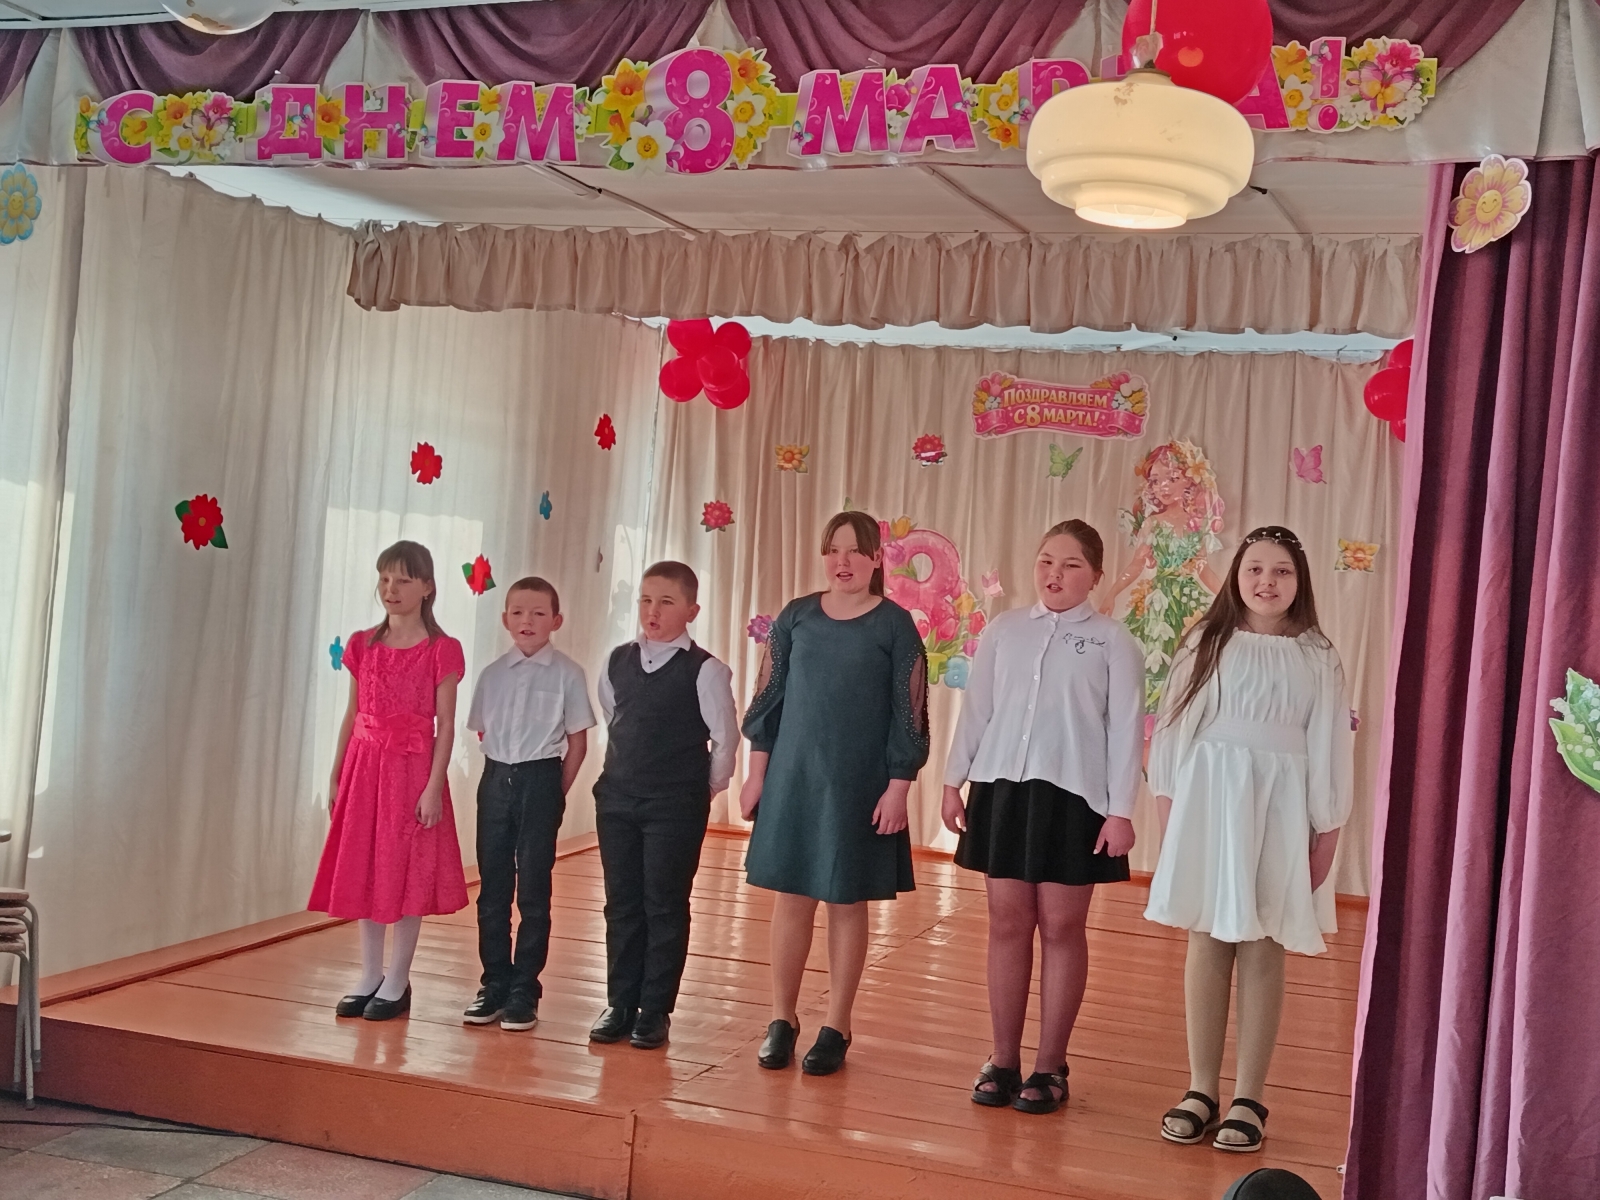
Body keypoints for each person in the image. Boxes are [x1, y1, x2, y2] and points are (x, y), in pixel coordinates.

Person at [1144, 526, 1353, 1153]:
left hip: (1281, 805)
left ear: (1300, 580)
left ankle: (1249, 1096)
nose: (1267, 582)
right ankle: (1200, 1088)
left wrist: (1327, 830)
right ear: (1236, 575)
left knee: (1263, 942)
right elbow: (1174, 731)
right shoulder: (1206, 641)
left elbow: (1330, 744)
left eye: (1281, 570)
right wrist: (1172, 818)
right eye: (1255, 568)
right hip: (1211, 801)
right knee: (1207, 937)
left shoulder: (1318, 655)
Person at [942, 519, 1144, 1114]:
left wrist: (1121, 811)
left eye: (1071, 564)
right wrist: (953, 782)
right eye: (1046, 561)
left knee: (1061, 927)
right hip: (1003, 789)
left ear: (1096, 576)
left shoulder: (1113, 641)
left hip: (1076, 799)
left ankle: (1050, 1065)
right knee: (1006, 923)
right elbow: (978, 711)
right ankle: (1002, 1058)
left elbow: (1125, 730)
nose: (1055, 574)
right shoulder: (1005, 630)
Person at [740, 511, 929, 1076]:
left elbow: (910, 713)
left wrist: (899, 786)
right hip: (793, 779)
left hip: (858, 784)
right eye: (833, 550)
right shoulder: (795, 616)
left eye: (854, 551)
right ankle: (782, 1018)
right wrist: (756, 775)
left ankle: (837, 1023)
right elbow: (767, 700)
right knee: (791, 898)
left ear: (876, 559)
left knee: (847, 903)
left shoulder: (895, 625)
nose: (842, 561)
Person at [310, 540, 470, 1021]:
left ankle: (398, 977)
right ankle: (369, 973)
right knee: (366, 864)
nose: (390, 589)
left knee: (406, 869)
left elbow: (446, 724)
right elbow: (352, 713)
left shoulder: (441, 649)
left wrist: (433, 786)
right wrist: (336, 773)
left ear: (427, 587)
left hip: (412, 771)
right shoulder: (363, 644)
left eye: (402, 580)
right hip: (365, 768)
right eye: (384, 579)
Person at [588, 562, 738, 1051]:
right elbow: (614, 716)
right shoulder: (616, 660)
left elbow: (725, 739)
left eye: (666, 602)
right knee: (621, 902)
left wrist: (704, 790)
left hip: (675, 804)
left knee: (665, 903)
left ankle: (655, 1009)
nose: (653, 611)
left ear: (691, 610)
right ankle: (619, 1002)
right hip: (617, 799)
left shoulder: (706, 670)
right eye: (646, 600)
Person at [461, 577, 595, 1032]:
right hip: (496, 778)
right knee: (493, 887)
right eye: (518, 612)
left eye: (539, 613)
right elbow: (482, 731)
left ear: (556, 620)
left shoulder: (568, 673)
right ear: (505, 619)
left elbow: (578, 743)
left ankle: (525, 988)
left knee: (534, 888)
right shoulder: (492, 674)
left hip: (542, 778)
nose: (527, 621)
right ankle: (494, 982)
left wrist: (555, 792)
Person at [1099, 439, 1226, 733]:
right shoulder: (1153, 523)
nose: (1163, 487)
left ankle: (1180, 720)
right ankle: (1148, 728)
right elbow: (1136, 565)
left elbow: (1203, 568)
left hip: (1188, 602)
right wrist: (1111, 594)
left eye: (1172, 478)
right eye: (1155, 481)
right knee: (1152, 656)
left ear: (1189, 481)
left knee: (1188, 658)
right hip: (1156, 604)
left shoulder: (1198, 524)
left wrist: (1227, 601)